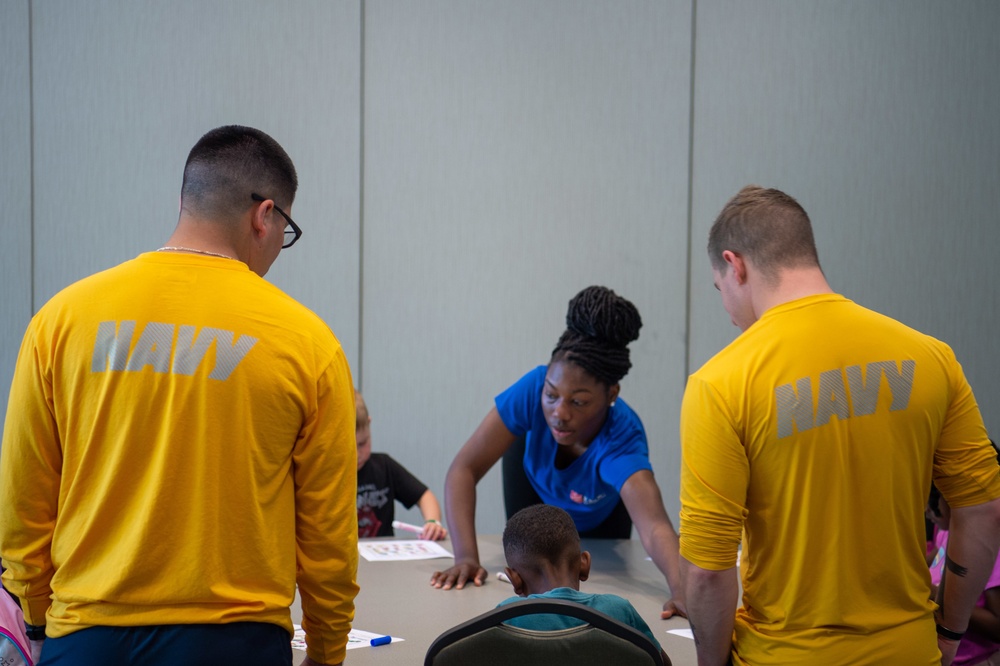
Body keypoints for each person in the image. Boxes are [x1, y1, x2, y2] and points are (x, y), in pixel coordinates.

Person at [0, 126, 359, 666]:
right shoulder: (307, 343)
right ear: (265, 216)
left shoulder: (60, 320)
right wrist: (327, 651)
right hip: (238, 642)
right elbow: (327, 531)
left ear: (185, 200)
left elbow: (24, 495)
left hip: (87, 634)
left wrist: (34, 615)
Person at [678, 185, 1000, 665]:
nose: (725, 307)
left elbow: (708, 571)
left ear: (736, 265)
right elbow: (982, 511)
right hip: (909, 652)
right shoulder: (932, 358)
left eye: (719, 286)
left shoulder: (720, 383)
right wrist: (950, 633)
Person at [431, 285, 685, 619]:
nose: (559, 413)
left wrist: (683, 591)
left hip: (598, 520)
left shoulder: (622, 437)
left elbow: (655, 527)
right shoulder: (533, 387)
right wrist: (465, 557)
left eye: (578, 401)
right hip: (534, 496)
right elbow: (463, 469)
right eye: (551, 396)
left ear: (611, 394)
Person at [497, 504, 670, 664]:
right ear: (585, 564)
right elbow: (660, 662)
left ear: (514, 579)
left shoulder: (506, 617)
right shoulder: (619, 611)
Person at [926, 442, 1000, 666]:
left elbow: (998, 626)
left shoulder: (992, 550)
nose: (929, 508)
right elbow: (931, 563)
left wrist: (933, 593)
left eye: (936, 495)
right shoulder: (945, 532)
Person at [355, 390, 447, 540]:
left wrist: (432, 522)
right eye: (348, 447)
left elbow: (425, 496)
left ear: (369, 424)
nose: (357, 454)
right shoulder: (327, 474)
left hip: (382, 557)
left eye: (362, 443)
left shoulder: (384, 466)